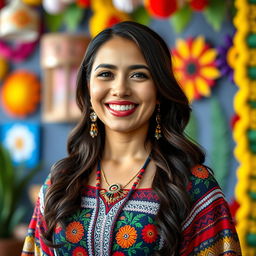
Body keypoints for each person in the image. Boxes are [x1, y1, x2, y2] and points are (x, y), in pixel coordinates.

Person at [22, 21, 241, 256]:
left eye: (138, 75)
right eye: (106, 74)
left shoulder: (194, 187)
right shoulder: (61, 182)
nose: (120, 89)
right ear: (88, 88)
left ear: (159, 90)